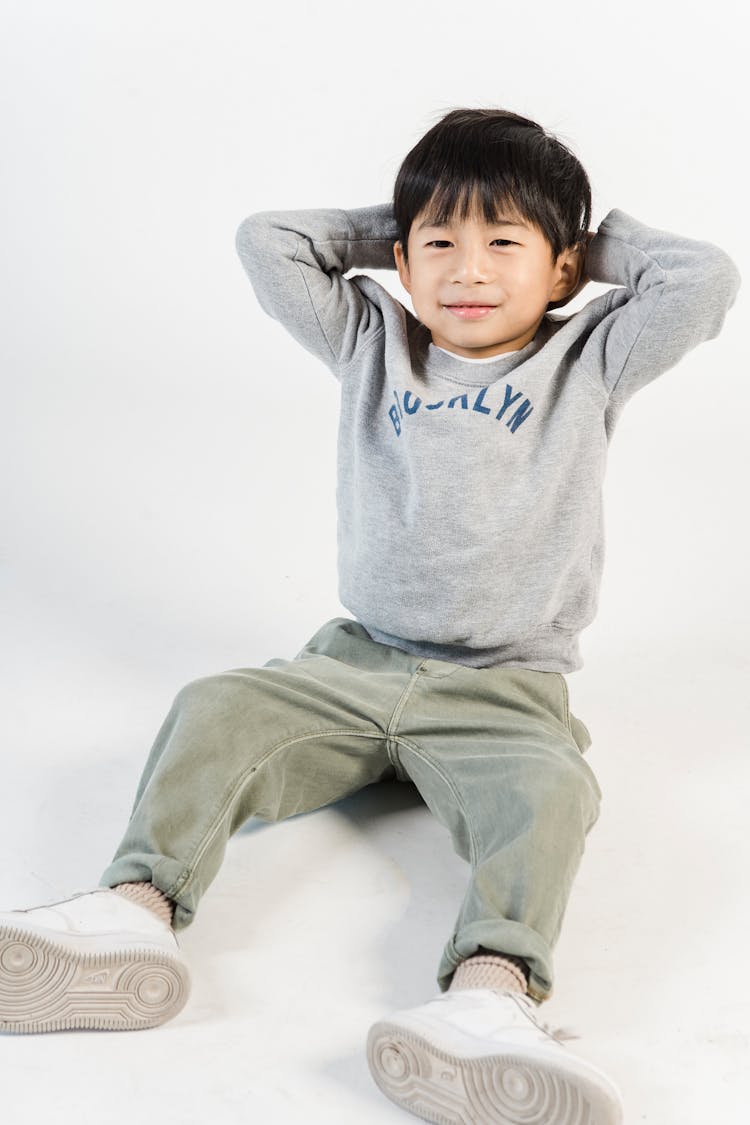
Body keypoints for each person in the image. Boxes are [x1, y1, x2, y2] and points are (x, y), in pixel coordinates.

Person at [0, 108, 739, 1125]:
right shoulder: (369, 337)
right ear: (399, 259)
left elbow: (703, 280)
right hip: (351, 663)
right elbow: (269, 240)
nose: (468, 271)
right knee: (217, 707)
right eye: (440, 244)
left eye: (503, 244)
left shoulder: (591, 359)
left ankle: (488, 1001)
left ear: (563, 270)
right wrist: (403, 228)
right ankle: (133, 913)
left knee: (550, 795)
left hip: (506, 686)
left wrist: (583, 240)